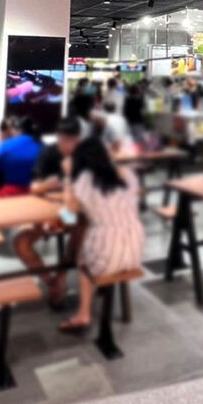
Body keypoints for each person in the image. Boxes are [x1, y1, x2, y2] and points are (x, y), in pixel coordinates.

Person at [60, 138, 145, 332]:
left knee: (82, 259)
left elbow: (68, 217)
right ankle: (100, 295)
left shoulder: (85, 179)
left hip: (108, 252)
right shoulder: (128, 174)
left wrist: (68, 177)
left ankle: (83, 314)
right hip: (136, 251)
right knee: (95, 244)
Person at [15, 118, 84, 307]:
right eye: (64, 140)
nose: (68, 146)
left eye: (73, 141)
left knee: (80, 228)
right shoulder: (48, 152)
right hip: (49, 215)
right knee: (22, 243)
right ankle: (51, 283)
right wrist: (46, 185)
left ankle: (61, 277)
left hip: (71, 213)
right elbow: (34, 187)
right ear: (58, 137)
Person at [0, 117, 42, 197]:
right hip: (38, 191)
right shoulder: (42, 146)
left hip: (10, 191)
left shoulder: (5, 145)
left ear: (18, 130)